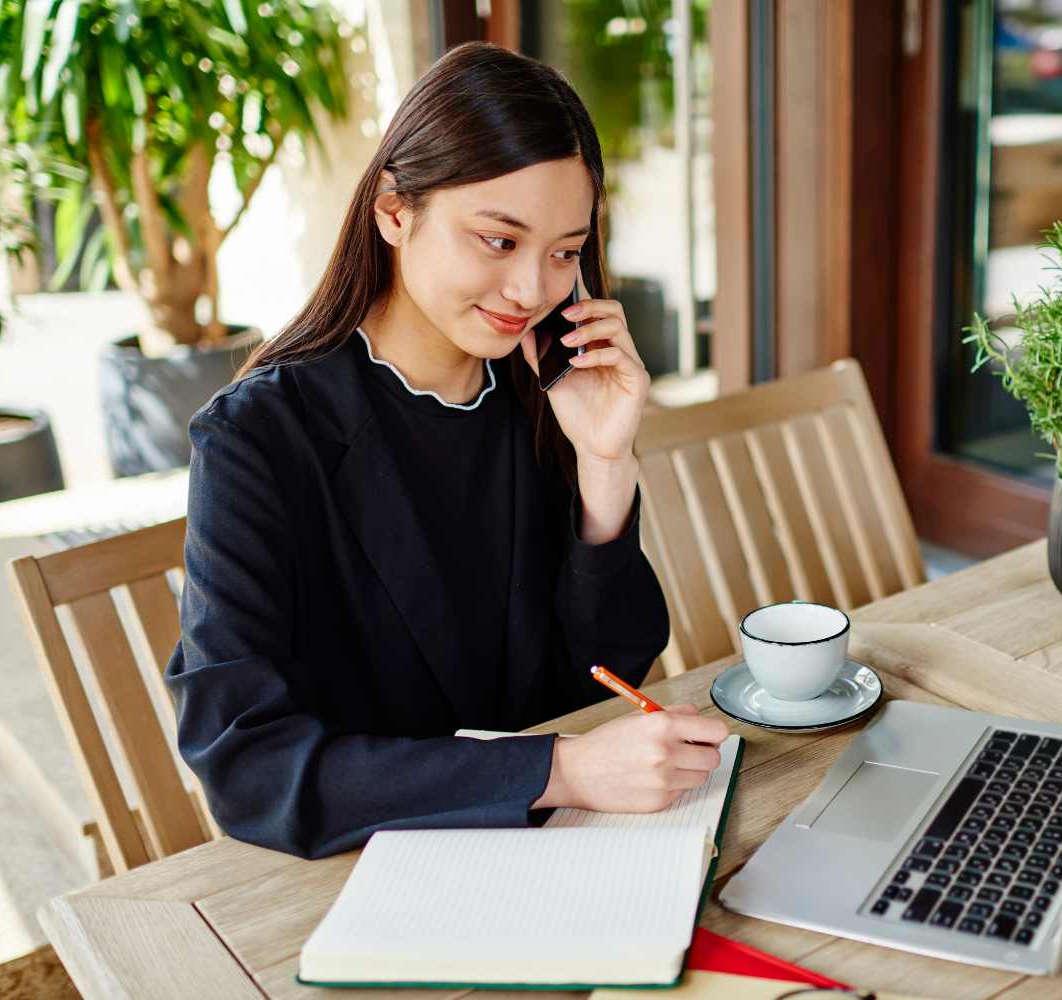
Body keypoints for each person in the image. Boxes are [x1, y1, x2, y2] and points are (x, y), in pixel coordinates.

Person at [165, 42, 728, 860]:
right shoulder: (259, 439)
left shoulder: (543, 394)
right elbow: (248, 766)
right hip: (362, 877)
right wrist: (556, 771)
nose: (532, 291)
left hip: (565, 852)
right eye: (499, 241)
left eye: (564, 251)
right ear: (394, 211)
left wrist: (605, 466)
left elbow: (606, 675)